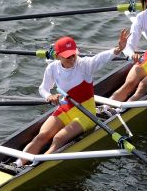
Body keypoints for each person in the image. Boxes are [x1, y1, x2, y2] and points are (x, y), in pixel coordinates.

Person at [15, 29, 128, 167]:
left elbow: (101, 58)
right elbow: (43, 89)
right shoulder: (52, 68)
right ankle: (18, 163)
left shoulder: (85, 65)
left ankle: (35, 165)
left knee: (58, 138)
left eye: (74, 55)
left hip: (86, 114)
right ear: (58, 56)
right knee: (41, 136)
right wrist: (49, 96)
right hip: (65, 109)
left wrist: (118, 49)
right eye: (68, 56)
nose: (72, 59)